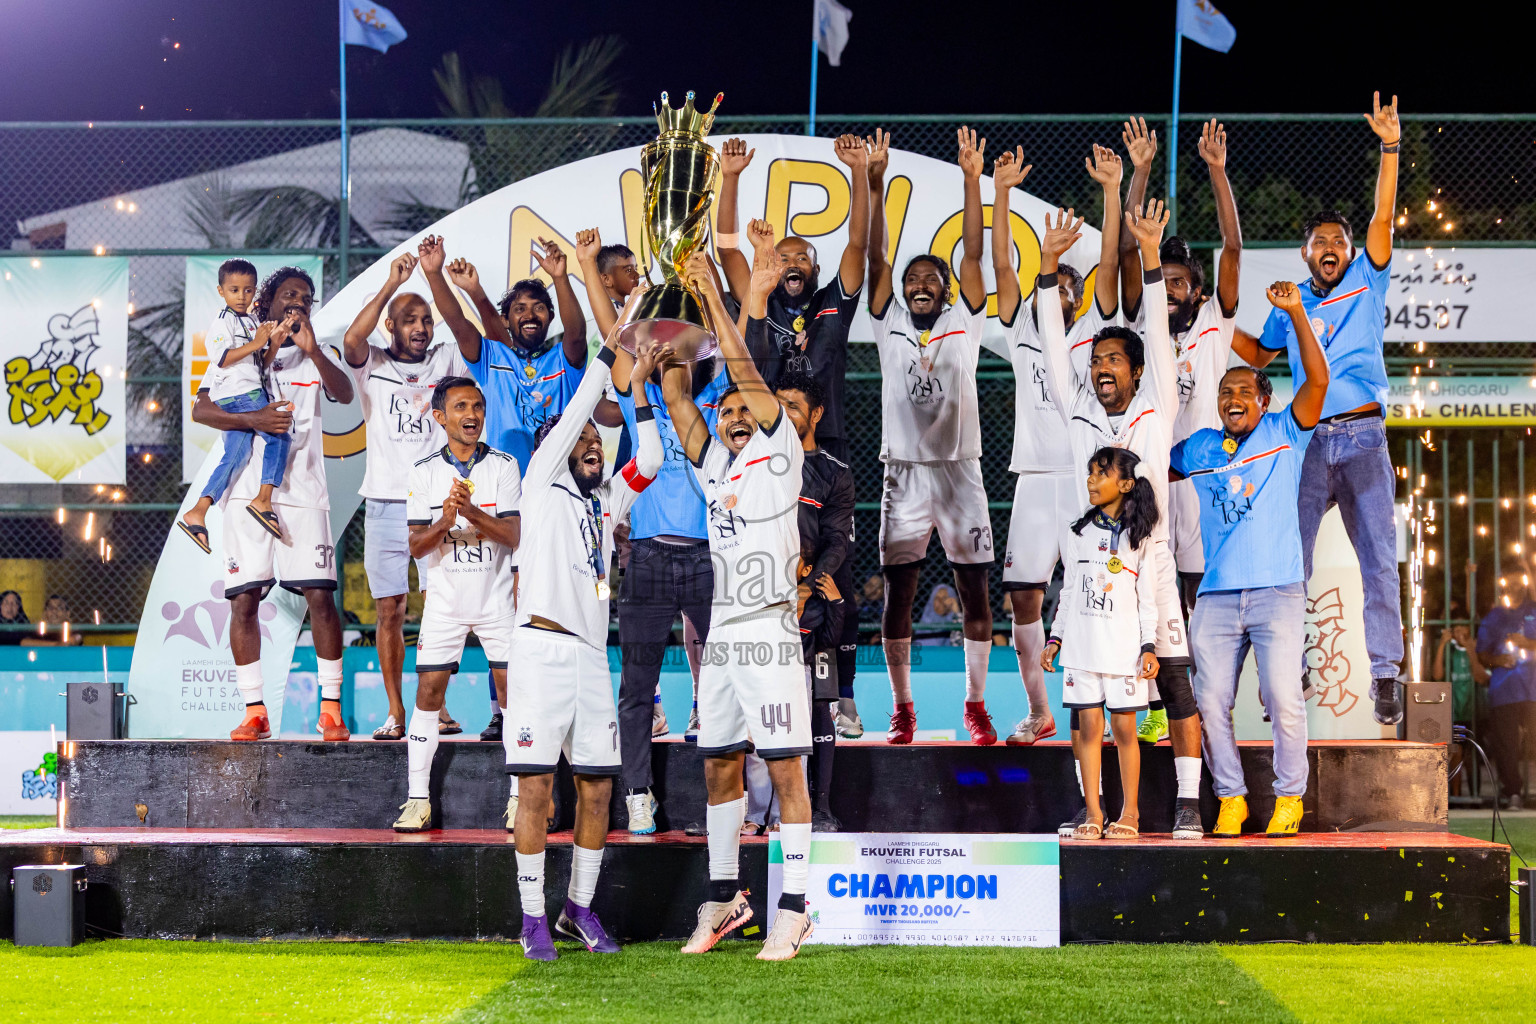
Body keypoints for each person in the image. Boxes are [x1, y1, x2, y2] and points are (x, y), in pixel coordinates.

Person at [1231, 93, 1405, 726]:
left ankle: (1386, 673)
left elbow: (1383, 217)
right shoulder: (1291, 299)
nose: (1329, 247)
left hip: (1361, 440)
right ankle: (1288, 668)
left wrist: (1390, 148)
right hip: (1307, 445)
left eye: (1338, 240)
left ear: (1350, 250)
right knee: (1287, 561)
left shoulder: (1368, 274)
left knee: (1379, 561)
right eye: (1318, 241)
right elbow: (1255, 352)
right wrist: (1214, 322)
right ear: (1304, 253)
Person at [660, 252, 814, 962]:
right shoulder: (716, 463)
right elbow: (677, 400)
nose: (731, 418)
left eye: (740, 410)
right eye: (725, 413)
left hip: (773, 633)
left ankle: (795, 909)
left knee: (784, 770)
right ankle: (727, 899)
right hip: (723, 636)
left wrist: (715, 301)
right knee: (719, 763)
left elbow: (748, 374)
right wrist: (666, 323)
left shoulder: (781, 450)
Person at [503, 296, 665, 962]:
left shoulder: (606, 504)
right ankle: (532, 918)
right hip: (540, 650)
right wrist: (620, 327)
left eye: (599, 443)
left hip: (591, 659)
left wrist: (647, 389)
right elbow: (577, 412)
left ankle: (578, 909)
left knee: (599, 786)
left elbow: (650, 456)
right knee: (537, 789)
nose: (593, 448)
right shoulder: (539, 483)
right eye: (585, 444)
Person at [1038, 201, 1203, 840]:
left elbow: (1159, 334)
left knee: (1177, 691)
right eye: (1096, 360)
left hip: (1150, 569)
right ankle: (1095, 813)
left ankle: (1187, 802)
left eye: (1113, 360)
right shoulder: (1078, 414)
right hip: (1089, 583)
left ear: (1134, 372)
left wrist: (1152, 257)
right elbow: (1054, 346)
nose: (1101, 367)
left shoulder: (1156, 407)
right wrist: (1048, 269)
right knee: (1088, 715)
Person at [575, 229, 724, 832]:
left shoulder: (716, 389)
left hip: (712, 558)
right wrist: (590, 267)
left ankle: (723, 792)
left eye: (681, 336)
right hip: (648, 559)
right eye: (660, 336)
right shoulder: (635, 388)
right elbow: (614, 333)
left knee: (721, 677)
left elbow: (725, 336)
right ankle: (638, 792)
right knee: (637, 685)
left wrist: (706, 285)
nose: (669, 345)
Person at [1170, 280, 1330, 838]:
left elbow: (1317, 381)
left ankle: (1290, 797)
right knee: (1209, 702)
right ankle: (1230, 798)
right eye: (1225, 392)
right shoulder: (1198, 448)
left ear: (1264, 400)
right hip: (1214, 597)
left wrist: (1294, 314)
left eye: (1244, 390)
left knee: (1284, 698)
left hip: (1277, 592)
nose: (1233, 398)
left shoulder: (1287, 431)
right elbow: (1144, 466)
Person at [988, 143, 1122, 746]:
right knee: (1022, 595)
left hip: (1085, 480)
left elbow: (1113, 267)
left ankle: (1109, 703)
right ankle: (1040, 709)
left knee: (1103, 587)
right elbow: (1001, 268)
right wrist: (1002, 194)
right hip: (1036, 479)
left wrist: (1113, 193)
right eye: (1055, 281)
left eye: (1072, 283)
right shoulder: (1022, 329)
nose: (1062, 290)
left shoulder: (1093, 334)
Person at [867, 127, 997, 746]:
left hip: (959, 471)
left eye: (931, 279)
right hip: (904, 473)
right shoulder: (889, 319)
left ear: (945, 290)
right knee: (900, 593)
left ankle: (975, 704)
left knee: (974, 588)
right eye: (912, 278)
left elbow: (973, 255)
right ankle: (903, 707)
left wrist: (972, 178)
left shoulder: (963, 320)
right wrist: (873, 183)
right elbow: (876, 262)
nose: (919, 285)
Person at [1118, 120, 1244, 744]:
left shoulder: (1216, 320)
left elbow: (1233, 249)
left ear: (1197, 289)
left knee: (1202, 604)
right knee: (1154, 601)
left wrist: (1217, 171)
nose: (1168, 291)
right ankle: (1161, 707)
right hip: (1154, 478)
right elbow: (1125, 256)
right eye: (1161, 281)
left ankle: (1206, 711)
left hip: (1207, 482)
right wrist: (1137, 174)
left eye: (1179, 283)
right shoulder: (1145, 328)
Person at [191, 267, 355, 742]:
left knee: (321, 597)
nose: (297, 303)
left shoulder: (313, 353)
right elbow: (202, 408)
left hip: (304, 492)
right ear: (266, 301)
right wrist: (256, 418)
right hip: (245, 493)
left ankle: (330, 709)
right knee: (243, 600)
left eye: (305, 298)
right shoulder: (240, 350)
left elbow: (343, 394)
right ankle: (254, 710)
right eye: (288, 295)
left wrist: (314, 351)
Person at [419, 239, 569, 740]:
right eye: (518, 309)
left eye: (538, 307)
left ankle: (546, 709)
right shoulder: (491, 360)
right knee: (502, 609)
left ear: (549, 315)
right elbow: (461, 323)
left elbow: (580, 332)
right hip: (501, 504)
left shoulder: (566, 358)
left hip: (551, 502)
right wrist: (440, 276)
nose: (529, 315)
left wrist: (564, 277)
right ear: (504, 320)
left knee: (546, 607)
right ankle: (504, 712)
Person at [344, 241, 474, 741]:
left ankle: (434, 707)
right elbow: (353, 338)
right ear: (391, 327)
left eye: (425, 320)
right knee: (390, 609)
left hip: (437, 503)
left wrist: (436, 278)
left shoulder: (444, 357)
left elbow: (464, 332)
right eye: (410, 320)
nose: (421, 328)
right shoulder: (371, 362)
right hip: (384, 503)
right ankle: (398, 711)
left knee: (443, 606)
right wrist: (392, 284)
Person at [392, 378, 521, 832]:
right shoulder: (423, 471)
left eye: (479, 406)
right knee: (428, 696)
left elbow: (512, 535)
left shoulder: (504, 466)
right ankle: (417, 800)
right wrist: (446, 519)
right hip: (445, 604)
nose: (472, 414)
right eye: (461, 406)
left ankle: (519, 799)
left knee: (512, 696)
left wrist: (470, 514)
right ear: (440, 416)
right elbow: (416, 546)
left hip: (496, 601)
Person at [1045, 447, 1161, 840]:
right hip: (1081, 649)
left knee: (1125, 731)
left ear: (1126, 484)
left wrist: (1149, 646)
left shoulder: (1141, 534)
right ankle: (1093, 811)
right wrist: (1056, 636)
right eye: (1090, 473)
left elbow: (1148, 599)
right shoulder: (1077, 532)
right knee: (1088, 729)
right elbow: (1070, 591)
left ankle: (1131, 813)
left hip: (1124, 650)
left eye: (1101, 474)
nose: (1092, 480)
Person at [776, 369, 855, 831]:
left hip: (814, 603)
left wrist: (809, 586)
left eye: (794, 406)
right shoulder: (758, 461)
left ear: (816, 415)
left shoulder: (834, 475)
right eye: (778, 403)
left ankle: (820, 807)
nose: (784, 414)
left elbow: (836, 541)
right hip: (762, 600)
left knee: (819, 705)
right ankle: (765, 811)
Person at [178, 258, 291, 550]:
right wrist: (257, 342)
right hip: (239, 394)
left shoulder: (251, 321)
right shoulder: (222, 320)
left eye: (248, 290)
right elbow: (221, 358)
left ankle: (198, 511)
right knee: (279, 435)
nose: (242, 296)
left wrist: (273, 343)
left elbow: (260, 364)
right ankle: (263, 499)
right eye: (234, 290)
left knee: (236, 455)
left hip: (247, 388)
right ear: (221, 291)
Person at [1478, 554, 1536, 809]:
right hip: (1504, 690)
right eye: (1509, 583)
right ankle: (1512, 791)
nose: (1514, 587)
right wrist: (1497, 660)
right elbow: (1482, 654)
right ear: (1503, 585)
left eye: (1519, 582)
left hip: (1533, 688)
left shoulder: (1533, 610)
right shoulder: (1494, 617)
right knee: (1507, 745)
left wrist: (1529, 644)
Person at [1435, 614, 1489, 794]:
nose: (1459, 632)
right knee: (1455, 754)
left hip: (1473, 711)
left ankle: (1475, 796)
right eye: (1455, 628)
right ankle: (1456, 796)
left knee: (1472, 755)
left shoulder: (1476, 649)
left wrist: (1470, 649)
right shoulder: (1450, 651)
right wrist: (1442, 644)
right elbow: (1437, 675)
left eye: (1462, 627)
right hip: (1453, 711)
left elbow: (1481, 678)